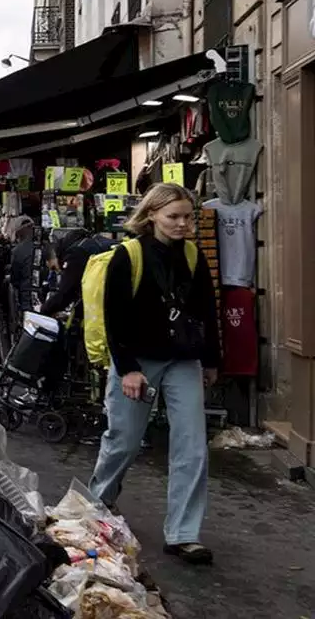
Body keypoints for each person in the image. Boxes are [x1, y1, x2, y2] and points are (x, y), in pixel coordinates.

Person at [89, 183, 219, 566]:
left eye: (187, 216)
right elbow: (114, 318)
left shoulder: (193, 256)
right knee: (124, 440)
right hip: (137, 362)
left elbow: (207, 311)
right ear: (151, 216)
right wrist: (127, 369)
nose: (182, 224)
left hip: (183, 360)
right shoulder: (128, 256)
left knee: (192, 445)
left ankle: (183, 534)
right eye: (173, 216)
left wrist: (210, 360)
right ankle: (99, 503)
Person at [39, 229, 114, 318]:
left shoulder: (75, 254)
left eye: (54, 268)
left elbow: (66, 293)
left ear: (55, 255)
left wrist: (43, 311)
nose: (58, 272)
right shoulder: (86, 243)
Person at [5, 215, 38, 318]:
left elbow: (15, 280)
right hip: (44, 299)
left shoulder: (17, 251)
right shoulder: (45, 246)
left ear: (18, 232)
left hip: (27, 300)